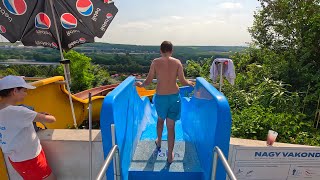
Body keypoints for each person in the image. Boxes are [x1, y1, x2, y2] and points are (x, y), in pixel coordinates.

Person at [135, 41, 194, 164]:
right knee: (171, 127)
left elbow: (148, 81)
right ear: (171, 51)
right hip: (174, 97)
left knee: (160, 120)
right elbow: (183, 81)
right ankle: (170, 155)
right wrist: (191, 83)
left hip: (161, 97)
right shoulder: (177, 62)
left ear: (161, 51)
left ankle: (159, 141)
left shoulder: (156, 62)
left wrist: (141, 84)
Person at [0, 75, 57, 180]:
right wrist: (38, 115)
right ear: (15, 91)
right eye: (24, 90)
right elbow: (52, 119)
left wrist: (33, 115)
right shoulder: (19, 111)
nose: (26, 94)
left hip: (16, 158)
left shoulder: (5, 110)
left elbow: (13, 120)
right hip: (30, 158)